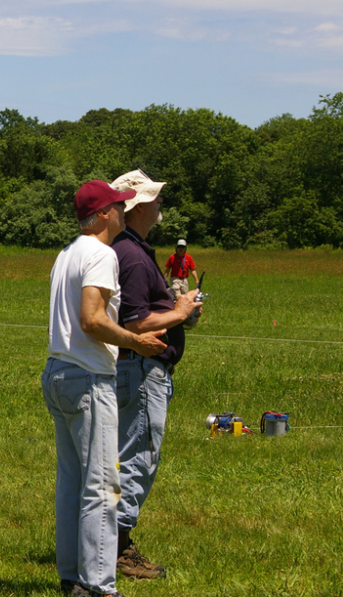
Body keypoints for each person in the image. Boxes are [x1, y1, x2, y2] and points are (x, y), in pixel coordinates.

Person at [42, 180, 167, 597]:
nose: (122, 210)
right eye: (117, 205)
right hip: (88, 377)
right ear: (101, 215)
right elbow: (92, 320)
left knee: (72, 482)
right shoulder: (99, 253)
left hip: (58, 372)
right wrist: (135, 341)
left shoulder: (66, 254)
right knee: (102, 485)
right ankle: (98, 586)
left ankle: (72, 576)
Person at [109, 171, 202, 581]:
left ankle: (110, 543)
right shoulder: (130, 254)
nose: (159, 203)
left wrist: (182, 313)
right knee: (138, 460)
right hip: (143, 369)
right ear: (137, 207)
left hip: (142, 369)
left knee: (129, 458)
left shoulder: (136, 249)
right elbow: (135, 321)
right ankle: (115, 548)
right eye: (154, 198)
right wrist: (179, 313)